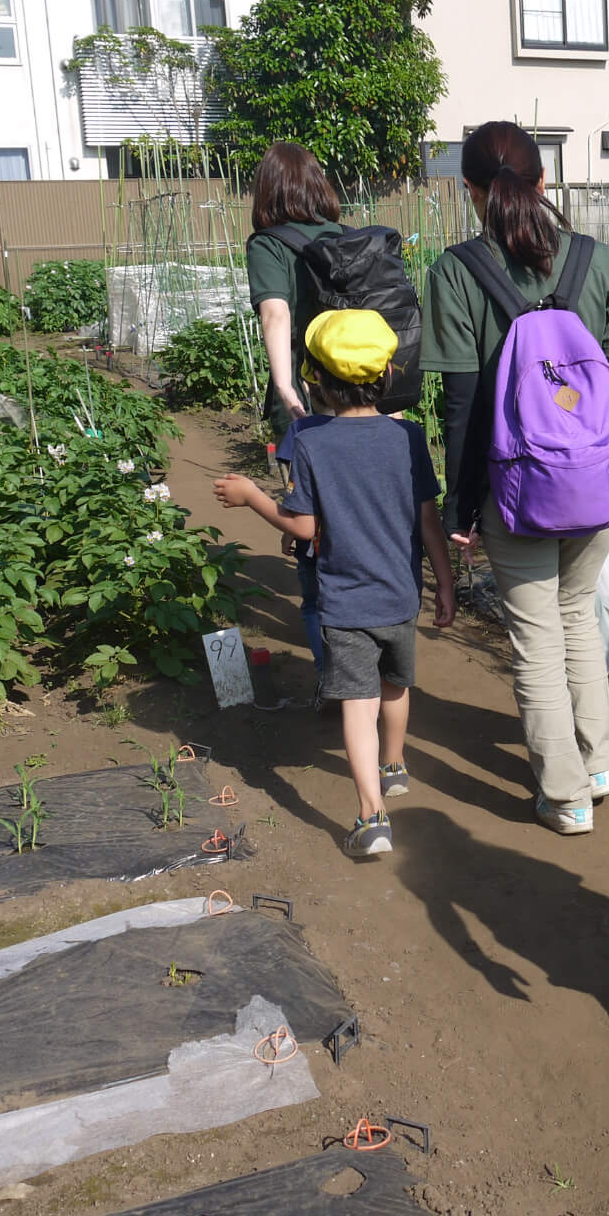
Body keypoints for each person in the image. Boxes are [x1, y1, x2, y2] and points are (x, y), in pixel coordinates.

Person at [424, 121, 609, 837]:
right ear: (545, 181)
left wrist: (461, 506)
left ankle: (566, 796)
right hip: (596, 487)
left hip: (514, 490)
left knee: (537, 637)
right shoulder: (595, 260)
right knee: (578, 617)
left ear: (470, 192)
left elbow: (462, 405)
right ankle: (599, 764)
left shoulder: (457, 271)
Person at [213, 309, 457, 857]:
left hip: (345, 600)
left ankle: (372, 818)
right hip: (400, 594)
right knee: (396, 685)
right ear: (389, 372)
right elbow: (427, 520)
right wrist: (443, 583)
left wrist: (253, 497)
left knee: (357, 703)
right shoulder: (409, 437)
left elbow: (305, 527)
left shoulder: (310, 439)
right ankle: (394, 766)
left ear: (312, 377)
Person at [245, 142, 345, 439]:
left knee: (302, 483)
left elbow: (275, 314)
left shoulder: (268, 245)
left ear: (267, 190)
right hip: (356, 384)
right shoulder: (345, 236)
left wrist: (285, 389)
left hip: (305, 381)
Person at [273, 411, 333, 700]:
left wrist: (289, 533)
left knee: (313, 604)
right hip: (357, 544)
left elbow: (294, 492)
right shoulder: (385, 428)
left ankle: (325, 676)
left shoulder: (302, 429)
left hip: (314, 540)